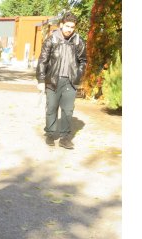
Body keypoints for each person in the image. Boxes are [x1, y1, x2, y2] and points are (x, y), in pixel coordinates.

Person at [36, 12, 87, 149]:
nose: (69, 29)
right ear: (61, 25)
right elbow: (43, 61)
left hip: (70, 82)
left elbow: (83, 61)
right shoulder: (51, 40)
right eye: (67, 26)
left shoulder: (78, 41)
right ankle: (50, 134)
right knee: (51, 107)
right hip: (53, 80)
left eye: (72, 27)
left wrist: (78, 74)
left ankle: (65, 138)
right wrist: (41, 80)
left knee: (68, 110)